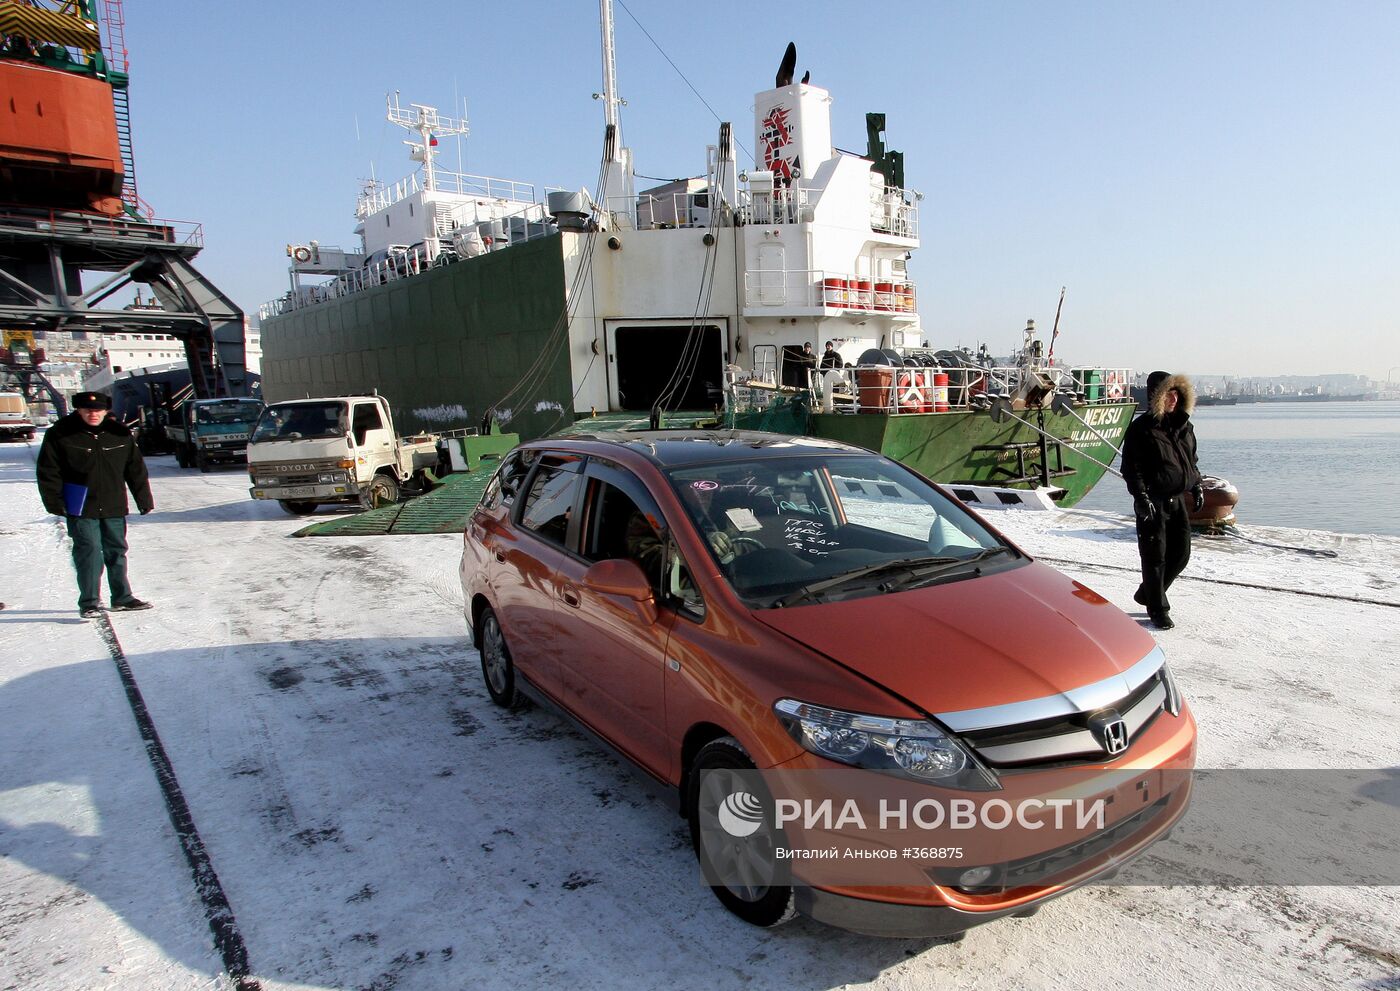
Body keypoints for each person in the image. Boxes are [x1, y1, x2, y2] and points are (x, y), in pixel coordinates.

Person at [36, 392, 155, 619]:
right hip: (79, 503)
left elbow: (135, 469)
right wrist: (54, 502)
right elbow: (48, 471)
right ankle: (90, 602)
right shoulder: (60, 435)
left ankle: (122, 597)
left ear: (105, 411)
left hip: (113, 502)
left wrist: (144, 499)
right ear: (78, 411)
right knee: (88, 551)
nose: (93, 414)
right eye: (88, 410)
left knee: (116, 551)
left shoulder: (119, 435)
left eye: (98, 410)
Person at [1120, 371, 1203, 630]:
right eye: (1169, 393)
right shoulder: (1141, 429)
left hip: (1177, 500)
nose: (1174, 399)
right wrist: (1141, 497)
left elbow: (1191, 461)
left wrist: (1197, 485)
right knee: (1154, 557)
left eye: (1177, 393)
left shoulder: (1183, 427)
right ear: (1158, 396)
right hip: (1153, 500)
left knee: (1181, 554)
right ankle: (1157, 608)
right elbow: (1131, 468)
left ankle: (1148, 592)